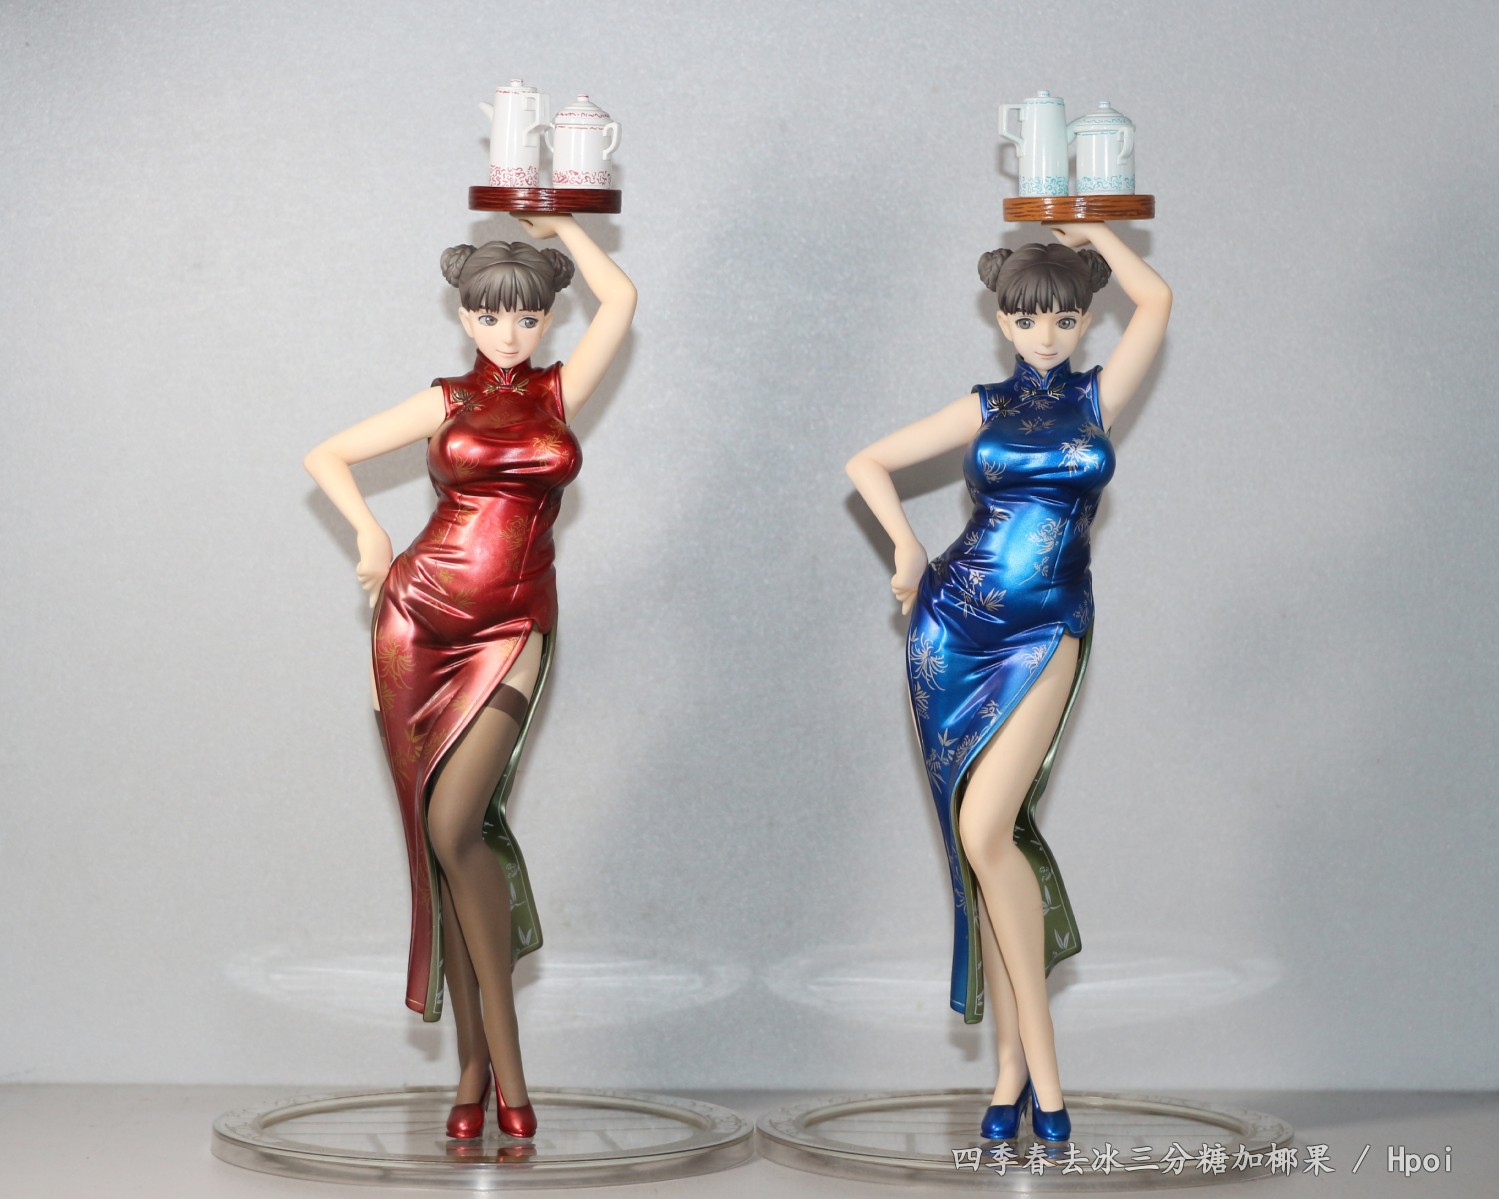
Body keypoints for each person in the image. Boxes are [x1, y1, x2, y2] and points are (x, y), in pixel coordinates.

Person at [304, 214, 636, 1139]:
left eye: (527, 317)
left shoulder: (560, 391)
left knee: (457, 827)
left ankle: (502, 1056)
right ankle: (473, 1071)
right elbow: (326, 454)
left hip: (515, 624)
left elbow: (621, 298)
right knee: (443, 842)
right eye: (491, 316)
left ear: (547, 320)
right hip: (418, 619)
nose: (509, 332)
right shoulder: (447, 399)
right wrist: (370, 533)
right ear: (464, 316)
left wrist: (560, 219)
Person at [845, 222, 1169, 1141]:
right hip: (953, 625)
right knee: (982, 843)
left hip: (1050, 624)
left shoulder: (1098, 397)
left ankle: (1041, 1066)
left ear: (1085, 320)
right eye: (1027, 319)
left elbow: (1157, 300)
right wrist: (906, 548)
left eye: (1064, 318)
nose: (1046, 335)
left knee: (988, 831)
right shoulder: (985, 407)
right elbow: (866, 463)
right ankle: (1010, 1073)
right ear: (1001, 320)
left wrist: (1090, 224)